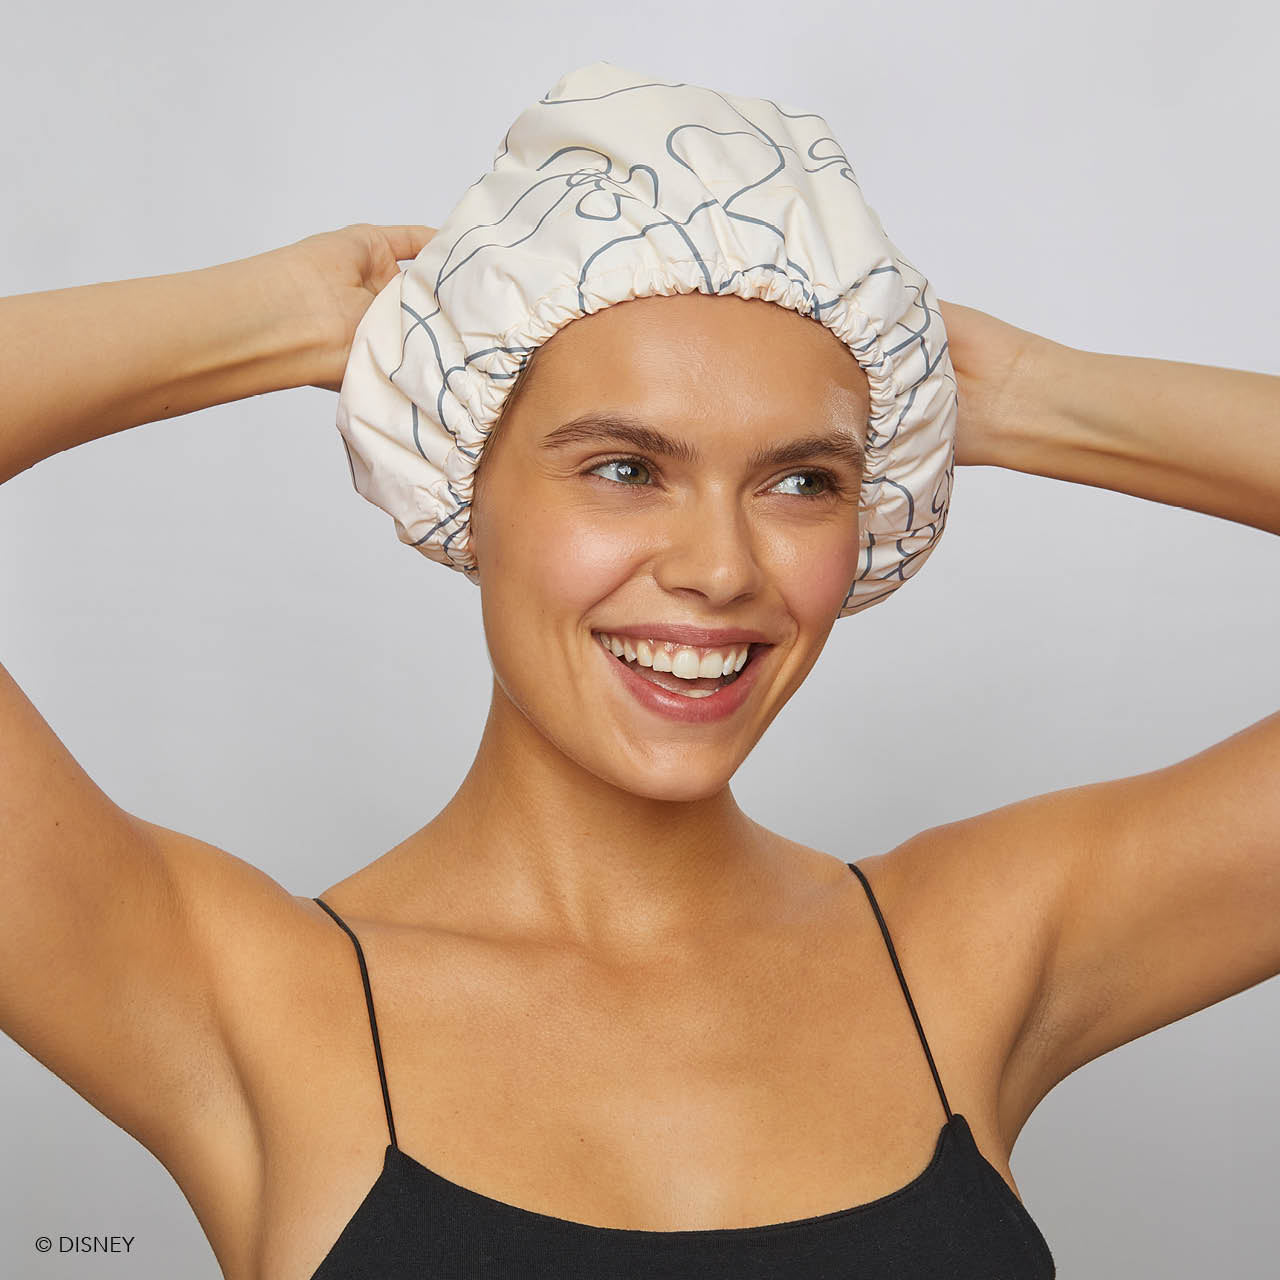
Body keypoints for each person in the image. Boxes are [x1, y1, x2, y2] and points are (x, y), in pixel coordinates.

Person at [0, 219, 1276, 1280]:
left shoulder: (971, 949)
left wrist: (1029, 394)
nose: (719, 568)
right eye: (623, 467)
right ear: (461, 487)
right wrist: (289, 314)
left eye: (800, 481)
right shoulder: (245, 994)